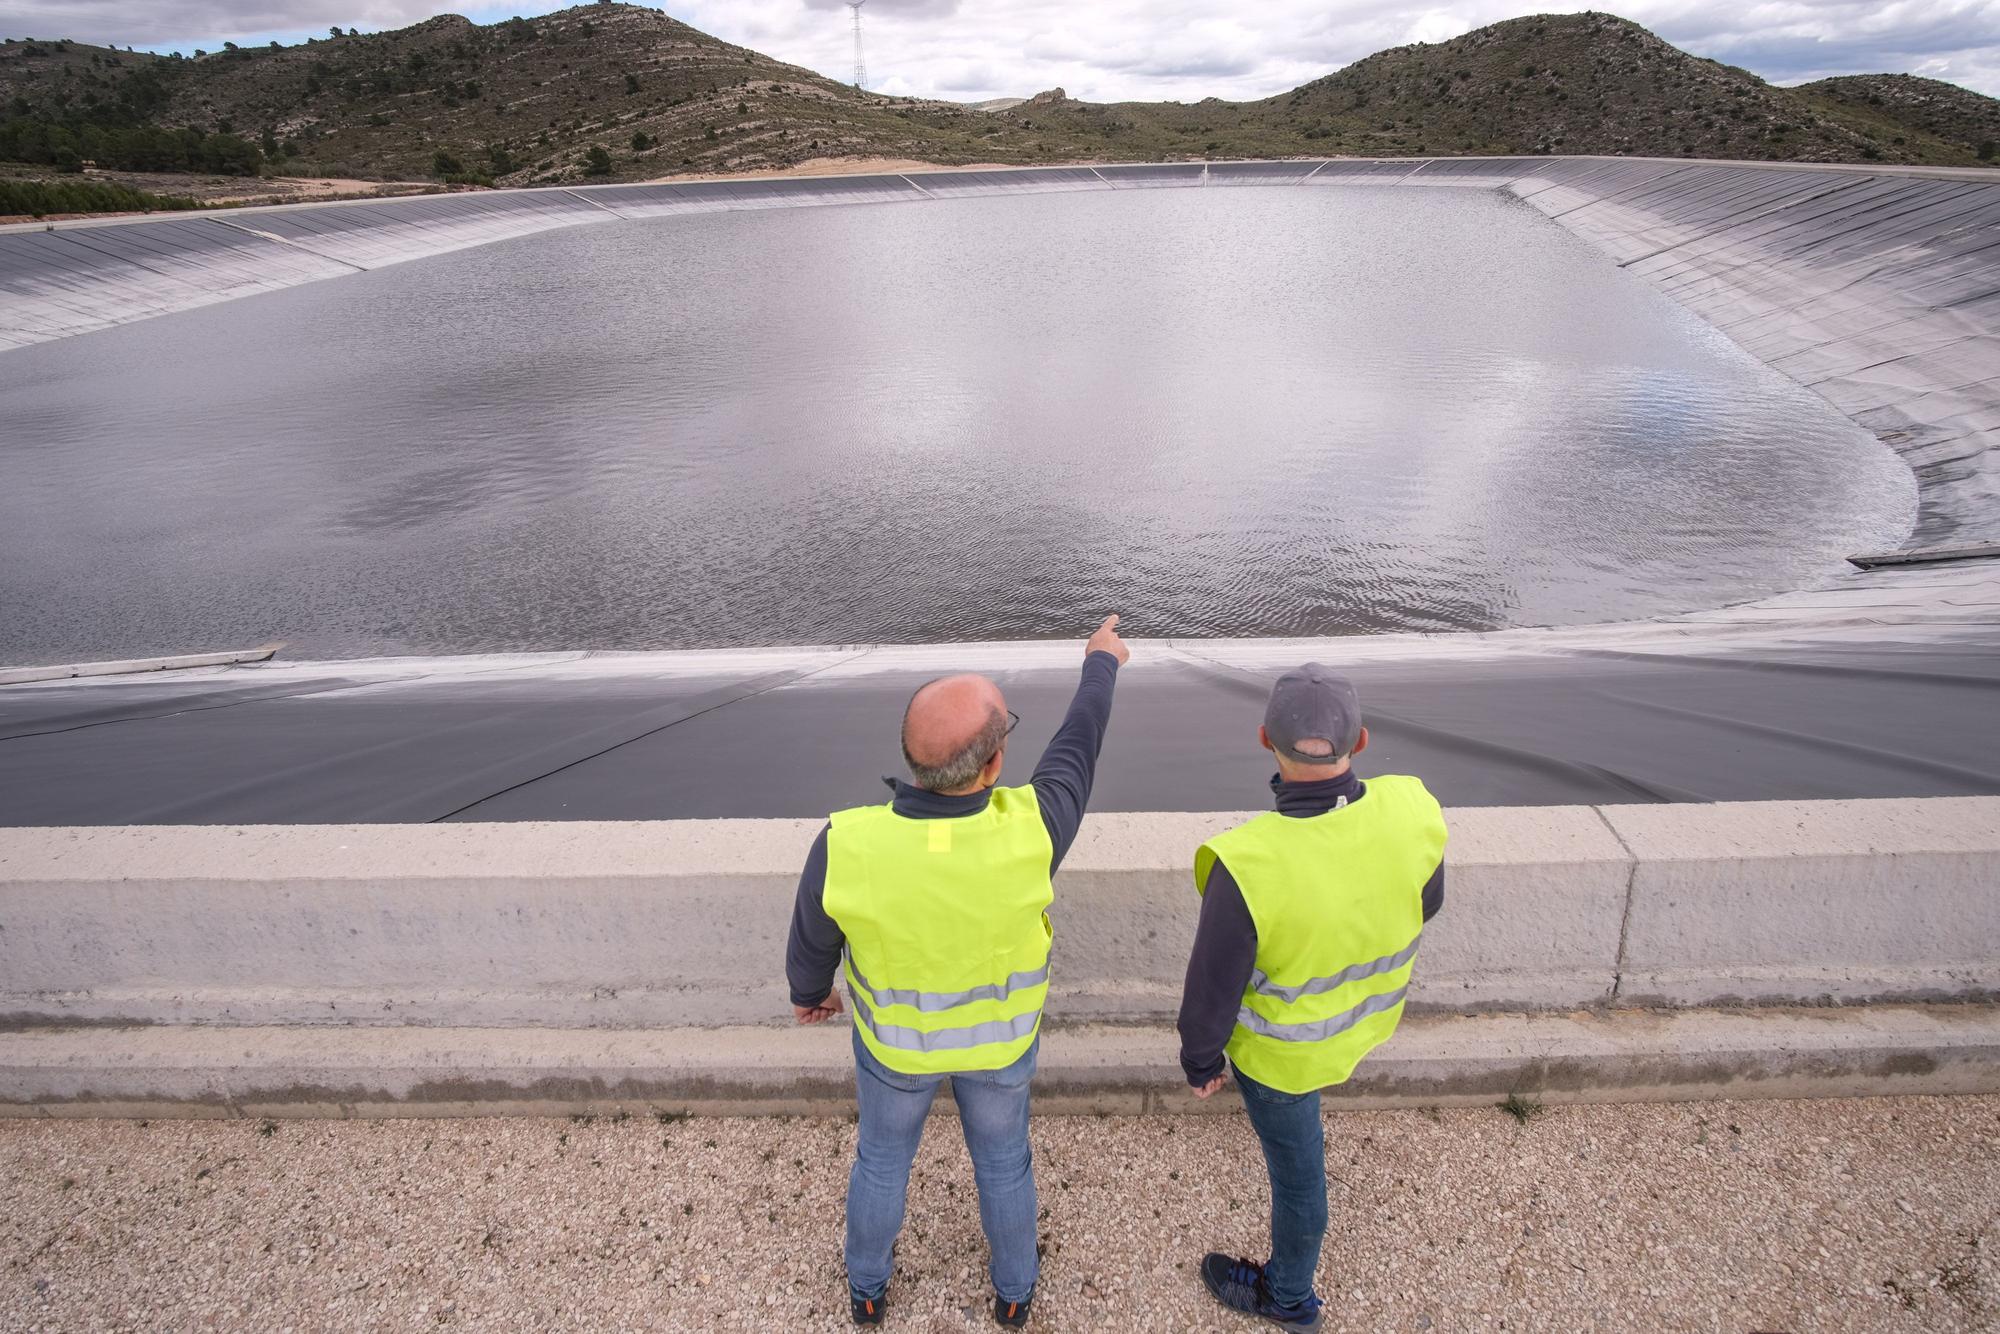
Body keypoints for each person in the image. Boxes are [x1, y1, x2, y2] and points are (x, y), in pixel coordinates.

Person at [786, 614, 1130, 1328]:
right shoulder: (1034, 828)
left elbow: (813, 939)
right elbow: (1080, 743)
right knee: (1004, 1163)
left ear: (912, 760)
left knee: (881, 1162)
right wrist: (1100, 660)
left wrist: (809, 994)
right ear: (994, 765)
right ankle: (1013, 1292)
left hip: (895, 1050)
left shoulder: (847, 842)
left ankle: (868, 1288)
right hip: (1000, 1045)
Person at [1178, 663, 1447, 1330]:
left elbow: (1213, 985)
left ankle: (1290, 1295)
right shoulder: (1412, 807)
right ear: (1362, 744)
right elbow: (1427, 902)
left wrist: (1201, 1062)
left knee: (1300, 1179)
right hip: (1364, 1026)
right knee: (1301, 1166)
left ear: (1264, 738)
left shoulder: (1248, 862)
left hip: (1283, 1061)